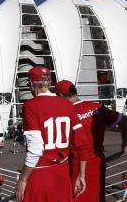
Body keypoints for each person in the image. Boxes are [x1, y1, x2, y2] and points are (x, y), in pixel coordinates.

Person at [15, 66, 88, 202]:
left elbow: (36, 148)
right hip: (62, 174)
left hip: (41, 174)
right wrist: (81, 174)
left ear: (31, 84)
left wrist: (23, 179)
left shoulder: (30, 106)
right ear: (48, 83)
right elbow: (82, 143)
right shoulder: (68, 105)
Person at [56, 79, 127, 202]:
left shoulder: (65, 114)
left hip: (76, 166)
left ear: (60, 96)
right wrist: (125, 142)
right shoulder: (96, 107)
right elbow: (123, 120)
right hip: (98, 162)